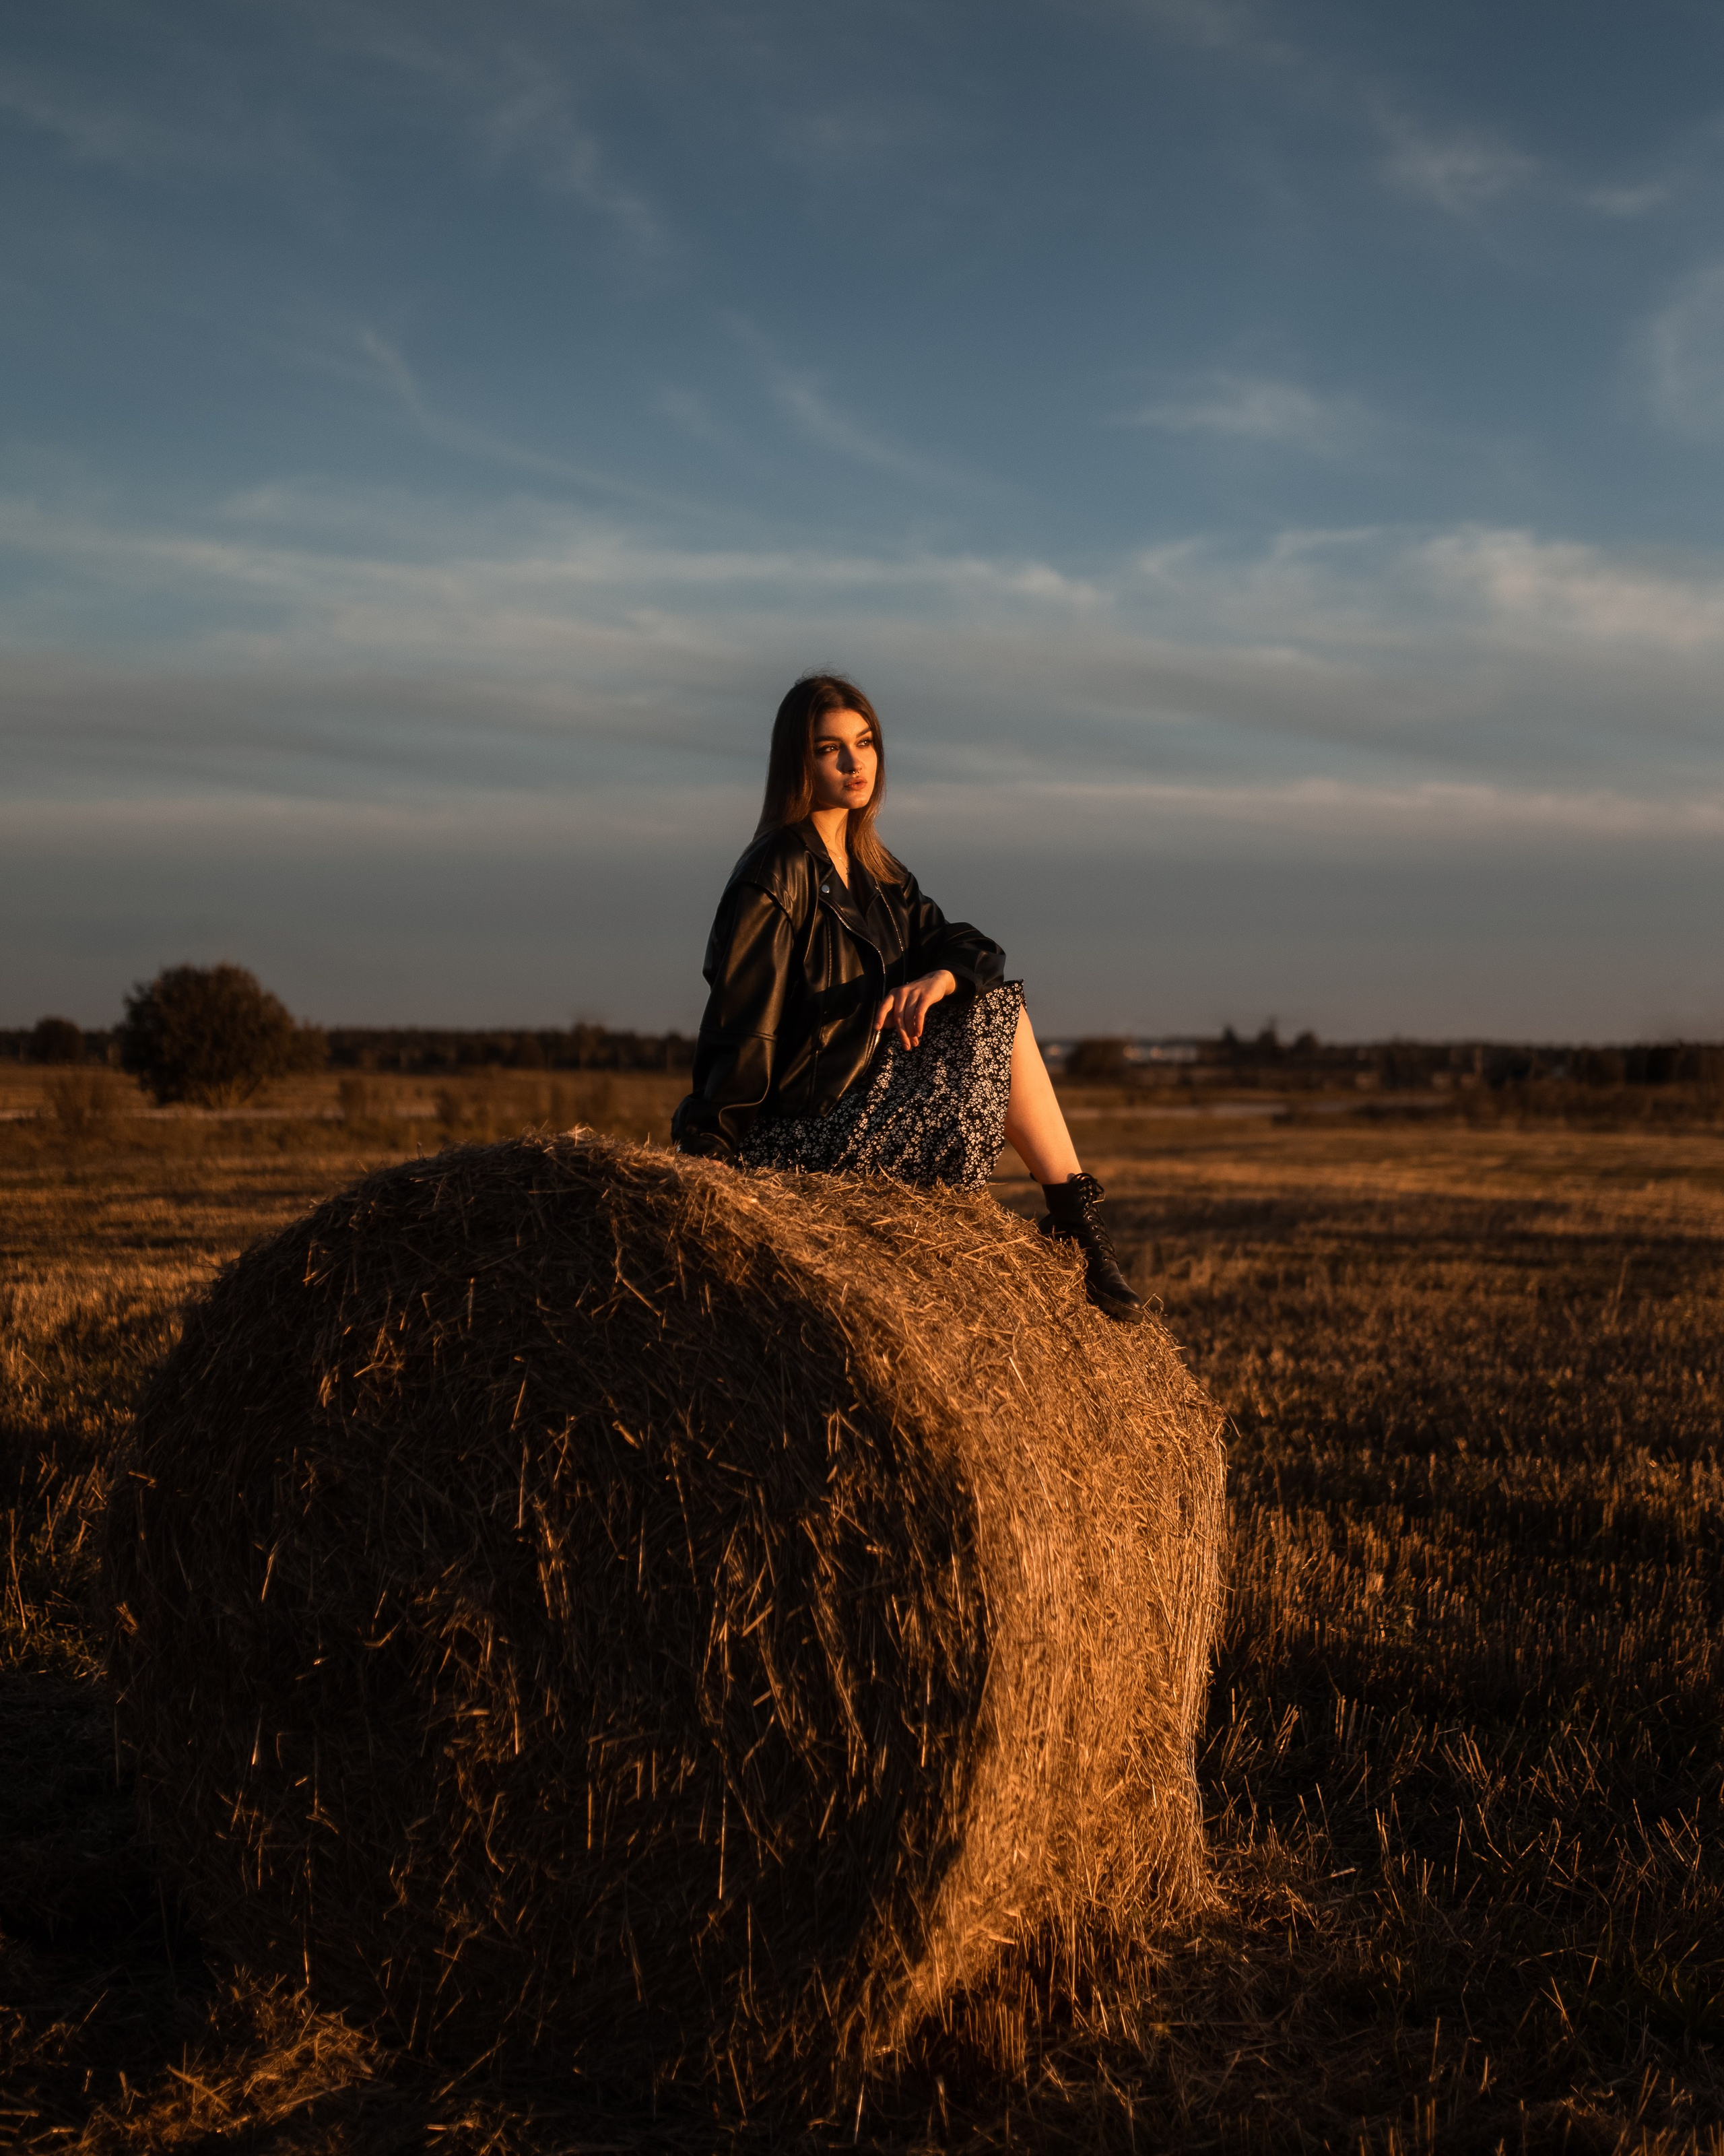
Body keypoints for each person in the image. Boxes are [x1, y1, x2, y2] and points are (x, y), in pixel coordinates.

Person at [671, 673, 1142, 1322]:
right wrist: (710, 1178)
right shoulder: (776, 870)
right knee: (998, 1021)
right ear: (797, 761)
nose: (853, 760)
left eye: (864, 743)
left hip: (858, 1101)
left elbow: (976, 949)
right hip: (800, 1134)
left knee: (993, 1005)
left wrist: (938, 978)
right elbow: (742, 1033)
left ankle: (1074, 1219)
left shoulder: (878, 873)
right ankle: (1073, 1223)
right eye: (829, 747)